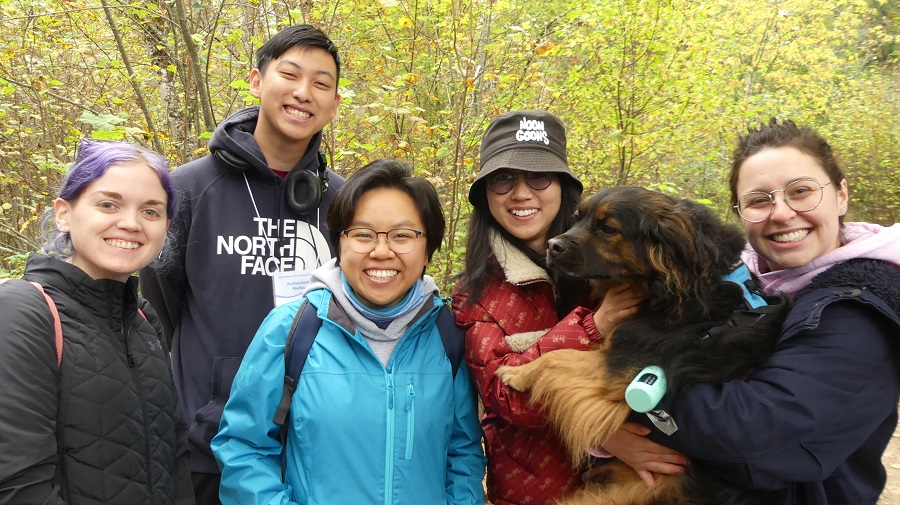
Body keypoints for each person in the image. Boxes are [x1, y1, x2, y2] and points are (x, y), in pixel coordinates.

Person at [138, 24, 344, 503]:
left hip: (313, 443)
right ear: (256, 81)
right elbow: (160, 309)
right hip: (206, 445)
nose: (302, 92)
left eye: (321, 83)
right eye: (289, 74)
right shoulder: (186, 190)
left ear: (334, 104)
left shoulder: (342, 200)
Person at [649, 118, 900, 504]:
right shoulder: (745, 282)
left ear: (842, 195)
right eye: (758, 200)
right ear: (739, 213)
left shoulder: (859, 305)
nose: (781, 214)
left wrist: (624, 405)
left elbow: (757, 435)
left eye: (801, 191)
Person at [211, 159, 486, 504]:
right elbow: (244, 447)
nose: (381, 251)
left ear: (428, 248)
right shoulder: (292, 329)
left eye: (403, 235)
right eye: (362, 234)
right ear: (339, 244)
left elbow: (462, 451)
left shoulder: (446, 333)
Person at [451, 110, 688, 505]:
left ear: (563, 187)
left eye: (539, 177)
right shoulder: (476, 294)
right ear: (486, 195)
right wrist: (592, 328)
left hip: (631, 485)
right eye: (503, 179)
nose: (521, 193)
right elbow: (504, 394)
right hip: (533, 492)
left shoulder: (618, 264)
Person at [0, 139, 193, 504]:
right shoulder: (23, 312)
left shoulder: (142, 319)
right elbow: (17, 483)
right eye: (108, 204)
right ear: (64, 213)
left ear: (166, 226)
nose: (131, 223)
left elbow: (175, 455)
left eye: (151, 212)